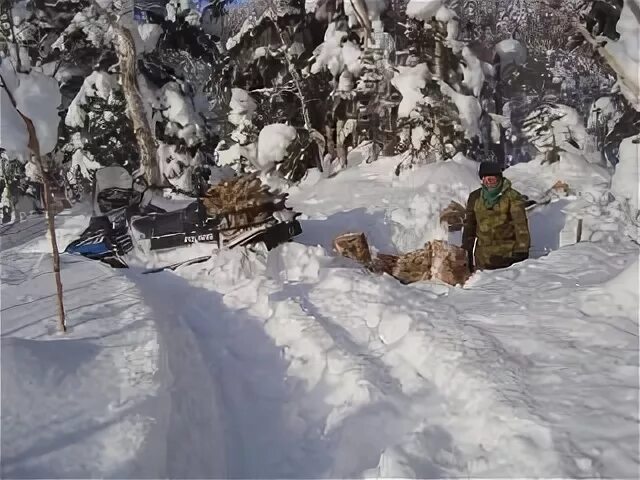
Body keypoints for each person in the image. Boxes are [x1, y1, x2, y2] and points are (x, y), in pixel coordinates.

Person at [462, 161, 531, 271]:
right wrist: (467, 252)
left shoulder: (512, 197)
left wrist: (521, 252)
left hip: (508, 258)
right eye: (485, 179)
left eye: (492, 179)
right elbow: (470, 226)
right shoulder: (475, 197)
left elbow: (520, 225)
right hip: (483, 259)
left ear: (499, 179)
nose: (488, 182)